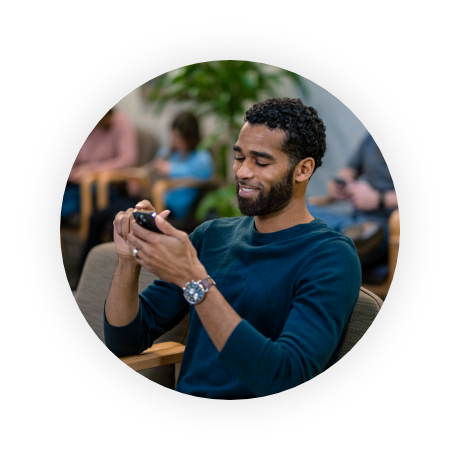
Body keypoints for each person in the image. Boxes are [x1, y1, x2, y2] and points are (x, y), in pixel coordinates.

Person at [105, 98, 361, 399]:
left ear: (303, 170)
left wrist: (193, 280)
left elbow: (285, 377)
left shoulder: (331, 257)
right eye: (239, 157)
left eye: (261, 162)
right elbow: (124, 342)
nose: (242, 172)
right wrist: (127, 261)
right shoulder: (212, 236)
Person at [77, 112, 214, 275]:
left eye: (180, 137)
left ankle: (108, 273)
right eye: (174, 136)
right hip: (150, 199)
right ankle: (85, 273)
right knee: (98, 217)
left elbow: (204, 173)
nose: (176, 141)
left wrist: (170, 169)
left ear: (191, 136)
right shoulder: (167, 152)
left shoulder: (201, 156)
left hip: (170, 208)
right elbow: (151, 177)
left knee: (121, 218)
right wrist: (139, 184)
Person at [308, 133, 397, 281]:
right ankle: (352, 230)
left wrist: (379, 199)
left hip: (389, 226)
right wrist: (337, 184)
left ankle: (353, 234)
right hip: (356, 219)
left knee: (378, 232)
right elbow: (346, 174)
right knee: (295, 207)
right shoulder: (370, 139)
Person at [60, 108, 137, 222]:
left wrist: (91, 170)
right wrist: (78, 174)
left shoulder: (119, 121)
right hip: (77, 185)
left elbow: (127, 160)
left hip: (107, 186)